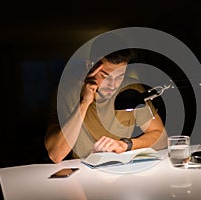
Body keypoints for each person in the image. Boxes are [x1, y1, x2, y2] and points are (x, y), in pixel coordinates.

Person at [44, 33, 168, 163]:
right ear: (90, 67)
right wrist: (85, 102)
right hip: (84, 173)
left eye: (119, 76)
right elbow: (55, 155)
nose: (113, 85)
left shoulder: (131, 90)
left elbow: (161, 138)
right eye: (105, 76)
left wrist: (125, 145)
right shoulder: (66, 91)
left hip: (122, 170)